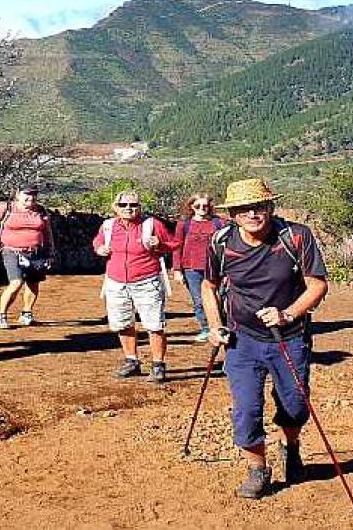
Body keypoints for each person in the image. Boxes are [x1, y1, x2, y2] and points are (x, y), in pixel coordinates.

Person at [201, 178, 328, 499]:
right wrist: (215, 325)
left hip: (290, 337)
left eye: (259, 206)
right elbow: (209, 287)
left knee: (295, 406)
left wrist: (288, 314)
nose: (253, 214)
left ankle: (291, 445)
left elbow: (317, 285)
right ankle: (258, 470)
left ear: (270, 207)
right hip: (241, 341)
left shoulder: (296, 236)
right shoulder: (221, 242)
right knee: (246, 410)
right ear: (233, 214)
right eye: (244, 209)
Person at [93, 191, 179, 382]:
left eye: (133, 205)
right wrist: (99, 248)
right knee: (122, 323)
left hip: (146, 281)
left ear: (140, 207)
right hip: (116, 282)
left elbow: (173, 244)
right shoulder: (108, 226)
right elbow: (98, 241)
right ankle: (131, 361)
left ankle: (158, 365)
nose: (128, 208)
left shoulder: (151, 224)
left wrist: (160, 244)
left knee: (154, 325)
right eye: (123, 205)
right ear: (115, 208)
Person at [0, 185, 54, 329]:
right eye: (27, 194)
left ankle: (27, 313)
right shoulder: (6, 209)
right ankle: (1, 316)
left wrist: (50, 253)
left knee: (33, 283)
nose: (31, 198)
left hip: (36, 252)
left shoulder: (41, 210)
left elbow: (47, 233)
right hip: (12, 251)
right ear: (18, 194)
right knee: (16, 282)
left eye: (34, 195)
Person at [172, 192, 226, 343]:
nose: (202, 208)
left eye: (205, 206)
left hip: (216, 267)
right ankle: (206, 328)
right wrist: (177, 270)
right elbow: (177, 247)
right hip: (191, 268)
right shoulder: (184, 224)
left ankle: (221, 326)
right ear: (191, 207)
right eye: (198, 206)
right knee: (199, 300)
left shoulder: (219, 223)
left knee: (220, 297)